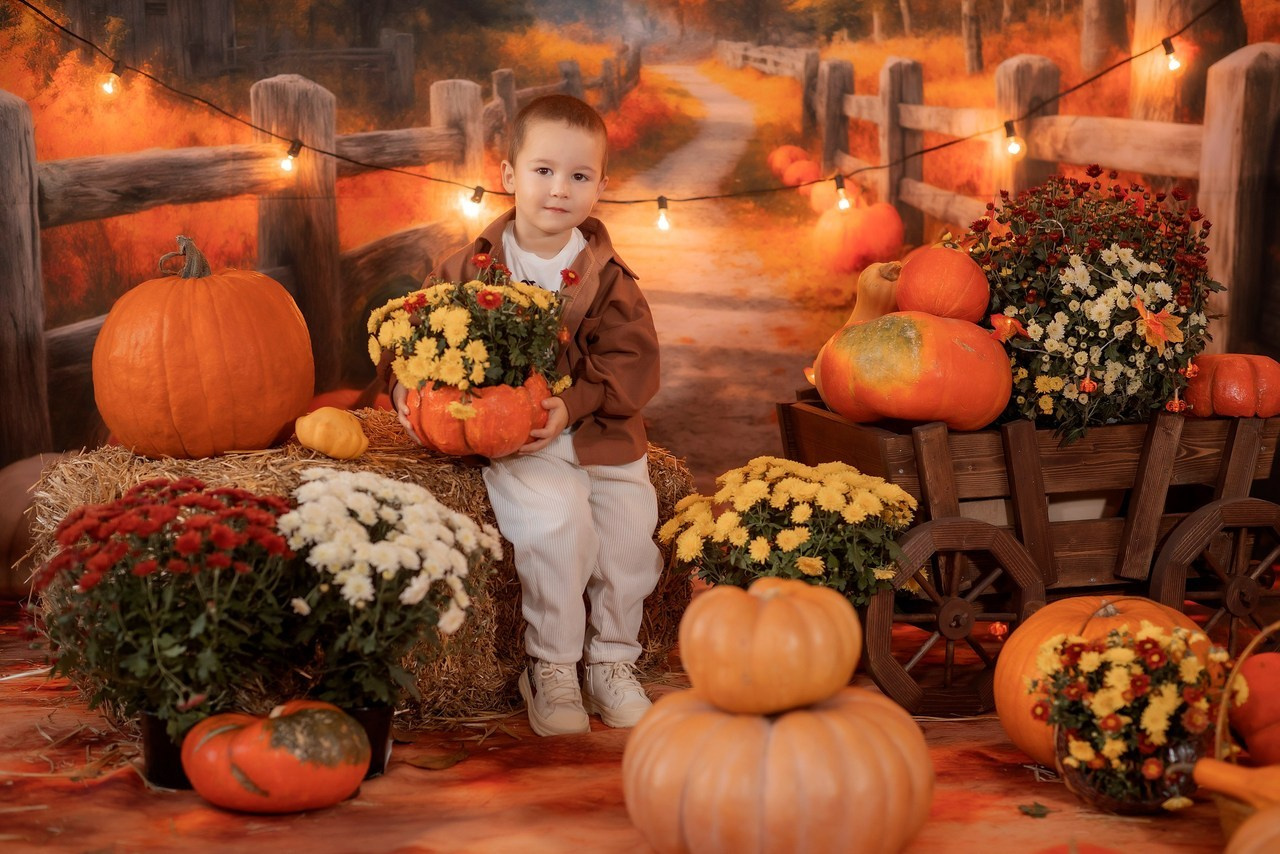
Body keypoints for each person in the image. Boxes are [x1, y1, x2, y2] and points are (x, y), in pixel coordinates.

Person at [388, 94, 662, 737]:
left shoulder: (610, 279)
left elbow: (631, 366)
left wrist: (573, 403)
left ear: (600, 186)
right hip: (521, 444)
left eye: (578, 175)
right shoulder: (468, 269)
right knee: (558, 524)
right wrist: (411, 396)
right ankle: (554, 667)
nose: (559, 189)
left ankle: (613, 662)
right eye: (543, 171)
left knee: (628, 538)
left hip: (604, 438)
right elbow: (415, 341)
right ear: (509, 175)